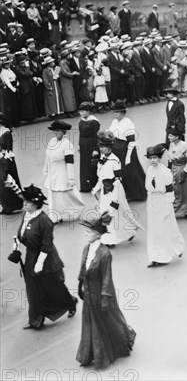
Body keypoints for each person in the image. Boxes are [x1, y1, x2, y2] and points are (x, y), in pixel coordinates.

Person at [11, 184, 78, 329]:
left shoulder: (45, 221)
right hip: (30, 257)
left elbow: (47, 245)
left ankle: (70, 302)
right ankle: (36, 320)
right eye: (24, 202)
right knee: (33, 290)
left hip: (46, 259)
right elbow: (21, 235)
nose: (24, 205)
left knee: (54, 287)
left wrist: (39, 263)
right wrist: (16, 243)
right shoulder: (26, 215)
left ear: (36, 204)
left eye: (27, 203)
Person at [76, 216, 136, 369]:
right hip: (89, 292)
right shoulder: (86, 249)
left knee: (109, 320)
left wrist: (105, 298)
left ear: (97, 234)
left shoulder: (105, 254)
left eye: (88, 232)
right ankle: (88, 354)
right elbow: (83, 269)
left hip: (101, 293)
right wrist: (80, 285)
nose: (85, 234)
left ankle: (121, 342)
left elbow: (107, 278)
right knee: (89, 322)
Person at [91, 131, 142, 247]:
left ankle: (127, 231)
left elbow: (118, 180)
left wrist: (114, 197)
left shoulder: (116, 160)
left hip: (115, 190)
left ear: (110, 147)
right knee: (105, 213)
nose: (102, 149)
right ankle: (109, 238)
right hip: (105, 191)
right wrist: (95, 188)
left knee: (116, 213)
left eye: (104, 147)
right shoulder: (101, 159)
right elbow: (101, 177)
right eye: (100, 147)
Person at [145, 144, 185, 268]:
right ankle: (154, 256)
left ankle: (170, 252)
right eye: (150, 158)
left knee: (164, 229)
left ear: (159, 158)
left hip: (163, 202)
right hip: (152, 201)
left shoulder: (166, 172)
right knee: (153, 231)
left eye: (155, 158)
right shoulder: (149, 170)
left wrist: (168, 207)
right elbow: (148, 189)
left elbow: (169, 191)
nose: (153, 160)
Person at [44, 120, 85, 223]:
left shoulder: (68, 144)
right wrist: (46, 169)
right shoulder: (52, 141)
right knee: (53, 196)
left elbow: (70, 162)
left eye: (59, 131)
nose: (57, 133)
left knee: (65, 195)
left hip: (62, 173)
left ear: (64, 132)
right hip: (52, 173)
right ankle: (55, 217)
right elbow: (47, 156)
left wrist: (71, 178)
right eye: (55, 131)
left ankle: (77, 209)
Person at [108, 101, 147, 201]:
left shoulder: (128, 123)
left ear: (122, 113)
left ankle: (136, 193)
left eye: (117, 112)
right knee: (119, 171)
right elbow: (111, 133)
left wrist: (128, 156)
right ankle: (124, 192)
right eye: (114, 112)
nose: (115, 114)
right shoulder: (114, 122)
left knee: (130, 171)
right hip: (116, 149)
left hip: (126, 149)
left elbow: (131, 140)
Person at [0, 112, 22, 214]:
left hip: (6, 161)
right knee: (2, 185)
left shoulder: (6, 133)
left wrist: (5, 163)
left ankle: (13, 205)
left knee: (8, 182)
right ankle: (5, 206)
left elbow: (9, 150)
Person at [78, 103, 100, 193]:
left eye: (83, 111)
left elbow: (96, 136)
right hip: (83, 146)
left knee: (92, 165)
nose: (80, 113)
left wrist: (95, 149)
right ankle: (85, 186)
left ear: (88, 111)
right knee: (84, 165)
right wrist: (79, 145)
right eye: (80, 111)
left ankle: (94, 184)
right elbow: (80, 134)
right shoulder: (82, 120)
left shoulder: (94, 122)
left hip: (91, 145)